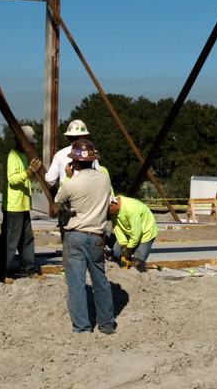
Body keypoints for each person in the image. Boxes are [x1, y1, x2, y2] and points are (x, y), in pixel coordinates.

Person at [54, 138, 116, 334]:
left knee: (76, 284)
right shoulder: (104, 179)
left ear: (74, 161)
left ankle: (82, 328)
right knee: (101, 281)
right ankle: (106, 324)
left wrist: (68, 176)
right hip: (98, 235)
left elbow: (59, 199)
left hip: (76, 236)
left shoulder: (72, 183)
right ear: (92, 160)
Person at [0, 126, 38, 280]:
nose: (31, 146)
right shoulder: (13, 155)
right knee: (10, 241)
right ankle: (2, 272)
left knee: (26, 239)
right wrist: (27, 173)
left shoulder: (23, 157)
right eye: (30, 143)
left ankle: (28, 268)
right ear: (22, 142)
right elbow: (12, 179)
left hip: (22, 205)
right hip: (13, 206)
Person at [44, 119, 108, 190]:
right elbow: (98, 176)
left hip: (66, 196)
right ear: (83, 136)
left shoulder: (59, 155)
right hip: (88, 197)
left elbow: (50, 180)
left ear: (68, 137)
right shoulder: (89, 154)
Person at [108, 194, 158, 272]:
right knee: (115, 256)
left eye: (108, 211)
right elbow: (117, 228)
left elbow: (137, 232)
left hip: (145, 233)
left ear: (113, 204)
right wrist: (124, 245)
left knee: (137, 263)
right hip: (129, 231)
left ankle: (140, 276)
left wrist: (129, 249)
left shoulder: (130, 208)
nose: (108, 214)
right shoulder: (112, 211)